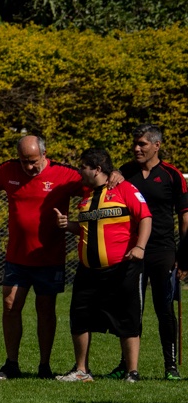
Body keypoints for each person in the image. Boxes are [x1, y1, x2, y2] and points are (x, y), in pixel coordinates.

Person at [0, 136, 84, 380]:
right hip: (16, 257)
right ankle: (11, 364)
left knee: (45, 309)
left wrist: (115, 175)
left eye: (34, 161)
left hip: (49, 258)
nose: (29, 167)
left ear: (44, 155)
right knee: (10, 306)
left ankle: (44, 366)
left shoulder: (65, 174)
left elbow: (93, 183)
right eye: (24, 161)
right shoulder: (9, 170)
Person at [56, 148, 152, 383]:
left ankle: (132, 372)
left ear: (97, 169)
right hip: (88, 271)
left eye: (83, 167)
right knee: (79, 317)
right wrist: (69, 226)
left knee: (128, 319)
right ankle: (81, 370)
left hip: (122, 268)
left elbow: (146, 217)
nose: (80, 171)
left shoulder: (125, 188)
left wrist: (140, 247)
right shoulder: (86, 196)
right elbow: (88, 228)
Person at [115, 125, 188, 380]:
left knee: (164, 308)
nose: (137, 148)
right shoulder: (124, 172)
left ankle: (170, 366)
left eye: (143, 144)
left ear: (156, 145)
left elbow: (184, 218)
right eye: (135, 143)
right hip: (132, 251)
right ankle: (126, 364)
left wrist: (184, 255)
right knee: (131, 308)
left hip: (163, 251)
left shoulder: (172, 175)